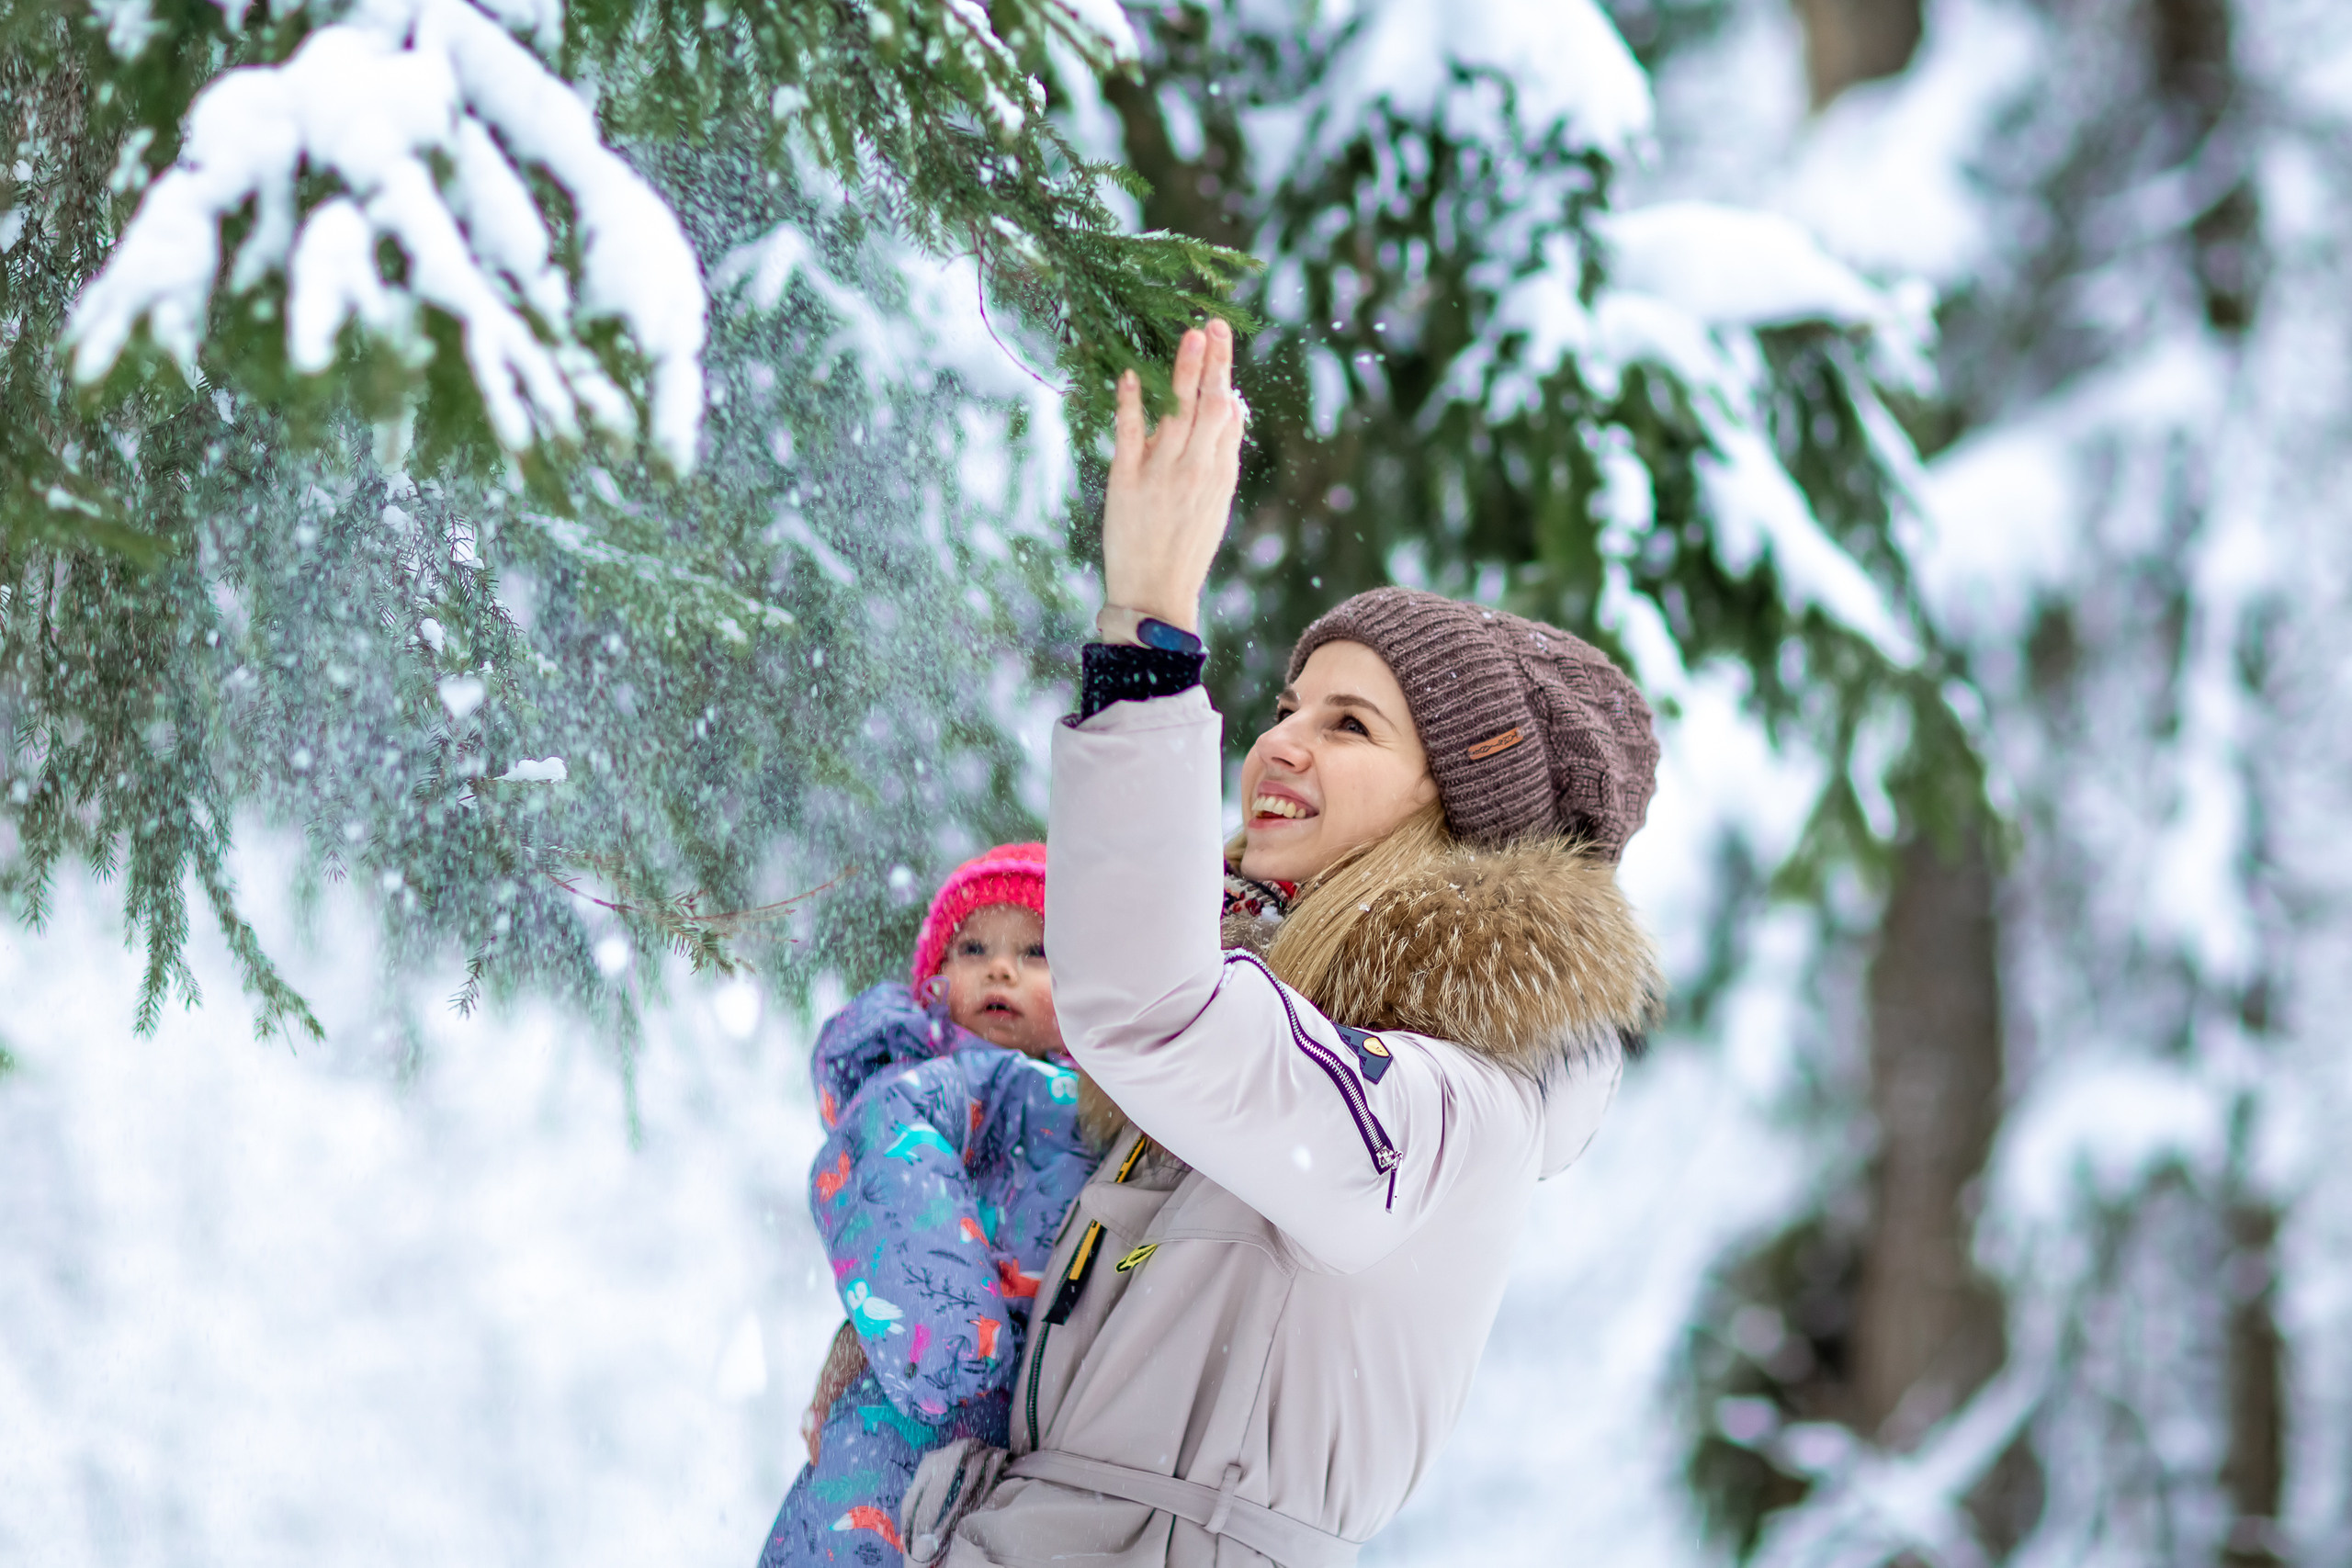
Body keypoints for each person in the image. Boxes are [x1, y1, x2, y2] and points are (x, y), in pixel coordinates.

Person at [900, 320, 1665, 1566]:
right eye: (1286, 705)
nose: (1282, 742)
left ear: (1457, 814)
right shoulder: (1270, 1053)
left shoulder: (1446, 1112)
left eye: (1350, 722)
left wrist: (1148, 628)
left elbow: (1152, 1008)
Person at [757, 844, 1098, 1568]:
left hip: (1031, 1413)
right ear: (934, 985)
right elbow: (886, 1154)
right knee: (860, 1524)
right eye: (972, 947)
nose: (1000, 967)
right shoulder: (946, 1079)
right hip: (927, 1393)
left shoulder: (1099, 1101)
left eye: (1035, 952)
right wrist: (955, 1357)